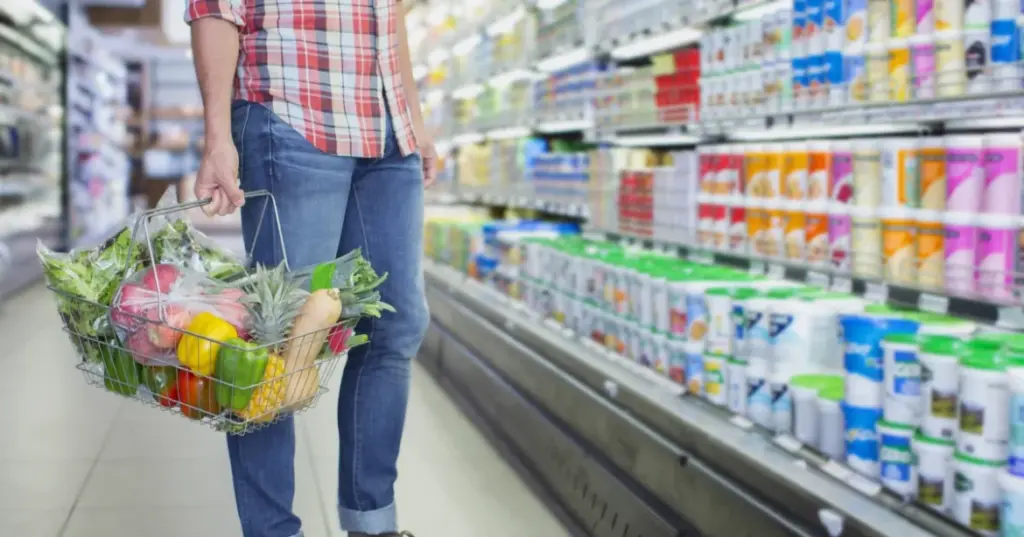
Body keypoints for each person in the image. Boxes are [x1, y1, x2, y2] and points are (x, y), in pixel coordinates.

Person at [185, 0, 437, 534]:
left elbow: (388, 15)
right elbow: (215, 8)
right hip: (294, 112)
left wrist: (414, 122)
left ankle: (372, 522)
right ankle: (273, 529)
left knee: (394, 325)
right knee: (277, 344)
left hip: (388, 131)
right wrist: (217, 137)